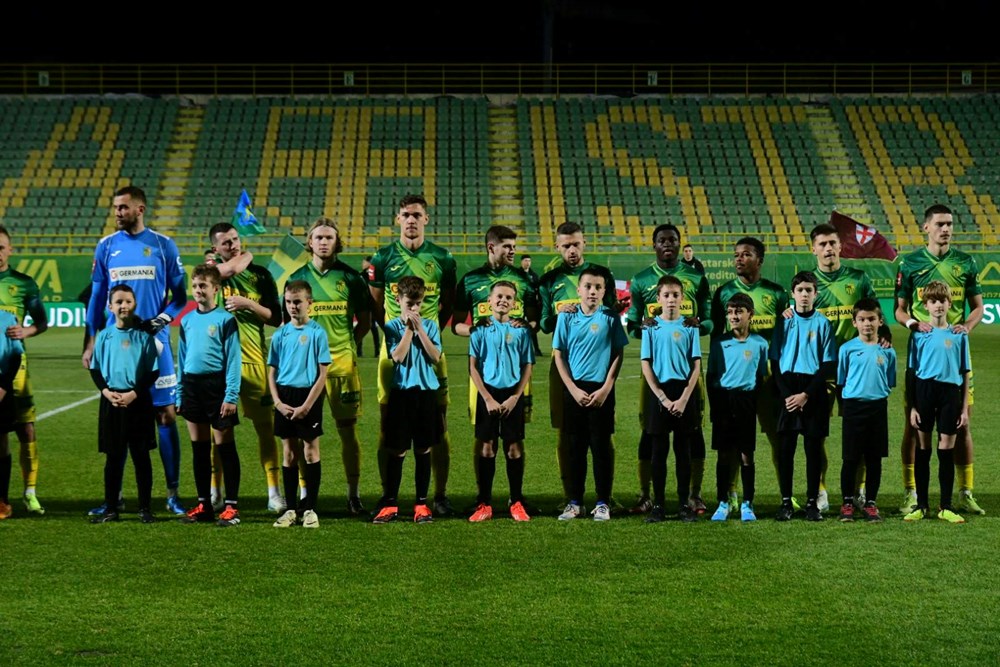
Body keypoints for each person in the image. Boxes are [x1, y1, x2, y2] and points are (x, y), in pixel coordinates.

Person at [83, 186, 188, 516]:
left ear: (140, 209)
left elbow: (180, 298)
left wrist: (162, 319)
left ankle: (172, 495)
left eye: (123, 207)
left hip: (155, 343)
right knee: (119, 413)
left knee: (165, 415)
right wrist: (90, 341)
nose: (117, 212)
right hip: (117, 346)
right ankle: (114, 498)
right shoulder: (106, 246)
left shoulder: (163, 245)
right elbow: (96, 298)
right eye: (115, 207)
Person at [369, 195, 456, 516]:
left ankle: (439, 496)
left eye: (417, 215)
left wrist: (428, 333)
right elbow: (375, 304)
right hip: (393, 352)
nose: (411, 220)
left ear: (426, 219)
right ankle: (388, 497)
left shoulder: (443, 258)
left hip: (430, 350)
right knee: (388, 426)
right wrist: (395, 333)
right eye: (406, 214)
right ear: (398, 219)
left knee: (438, 427)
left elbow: (448, 302)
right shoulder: (383, 257)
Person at [895, 204, 984, 516]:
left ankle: (965, 492)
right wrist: (913, 324)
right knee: (913, 426)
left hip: (953, 354)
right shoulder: (910, 262)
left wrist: (967, 327)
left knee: (962, 425)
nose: (945, 229)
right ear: (926, 227)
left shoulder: (966, 262)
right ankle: (911, 492)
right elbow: (899, 309)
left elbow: (978, 307)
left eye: (949, 224)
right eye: (940, 224)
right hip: (923, 357)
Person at [795, 222, 891, 512]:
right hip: (819, 371)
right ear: (813, 249)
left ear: (841, 246)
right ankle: (820, 490)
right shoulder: (808, 285)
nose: (828, 249)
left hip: (854, 371)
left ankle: (859, 490)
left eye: (832, 243)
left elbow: (875, 312)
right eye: (822, 244)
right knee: (816, 436)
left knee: (861, 436)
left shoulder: (858, 279)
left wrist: (885, 333)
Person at [625, 224, 712, 515]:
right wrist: (642, 326)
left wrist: (700, 325)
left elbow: (709, 318)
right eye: (662, 240)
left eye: (672, 240)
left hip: (687, 372)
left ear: (679, 243)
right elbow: (633, 322)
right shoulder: (641, 280)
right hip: (655, 374)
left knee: (693, 433)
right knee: (649, 433)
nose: (667, 244)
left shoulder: (696, 278)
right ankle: (646, 495)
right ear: (654, 245)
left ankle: (694, 495)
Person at [286, 219, 370, 515]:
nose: (323, 242)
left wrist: (347, 347)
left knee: (348, 431)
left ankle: (353, 495)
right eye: (318, 237)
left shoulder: (351, 278)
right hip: (306, 371)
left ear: (337, 242)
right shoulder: (297, 277)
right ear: (309, 242)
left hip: (342, 368)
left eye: (329, 237)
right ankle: (305, 496)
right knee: (302, 435)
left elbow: (365, 322)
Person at [453, 226, 538, 506]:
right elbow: (456, 325)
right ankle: (483, 498)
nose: (513, 251)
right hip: (483, 374)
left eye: (514, 246)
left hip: (515, 371)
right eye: (507, 246)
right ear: (491, 247)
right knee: (483, 437)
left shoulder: (524, 280)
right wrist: (477, 330)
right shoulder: (470, 281)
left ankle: (517, 498)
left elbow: (535, 320)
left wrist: (526, 325)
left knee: (515, 437)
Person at [538, 222, 619, 506]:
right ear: (557, 247)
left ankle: (605, 496)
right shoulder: (549, 281)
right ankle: (570, 495)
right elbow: (545, 323)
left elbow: (611, 313)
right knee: (566, 431)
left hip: (599, 363)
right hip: (564, 366)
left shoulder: (601, 274)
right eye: (566, 245)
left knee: (603, 434)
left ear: (584, 243)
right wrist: (561, 313)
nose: (572, 250)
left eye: (576, 244)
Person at [209, 222, 285, 513]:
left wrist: (248, 304)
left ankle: (274, 492)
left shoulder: (261, 275)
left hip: (254, 362)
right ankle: (215, 492)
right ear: (215, 249)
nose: (233, 245)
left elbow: (276, 318)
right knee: (219, 432)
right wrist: (243, 258)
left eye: (235, 239)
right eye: (226, 242)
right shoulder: (211, 273)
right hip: (219, 365)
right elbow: (227, 270)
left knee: (265, 429)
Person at [710, 237, 788, 510]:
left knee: (777, 438)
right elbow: (717, 335)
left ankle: (785, 495)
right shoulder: (724, 293)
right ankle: (730, 493)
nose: (739, 259)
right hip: (735, 382)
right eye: (736, 255)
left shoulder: (776, 293)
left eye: (746, 254)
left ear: (759, 260)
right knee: (733, 441)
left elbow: (784, 335)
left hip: (767, 380)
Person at [552, 267, 629, 522]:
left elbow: (618, 353)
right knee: (575, 448)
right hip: (574, 390)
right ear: (579, 289)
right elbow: (559, 355)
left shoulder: (610, 317)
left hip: (601, 391)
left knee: (600, 447)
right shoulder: (566, 317)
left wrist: (606, 388)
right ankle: (575, 502)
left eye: (598, 287)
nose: (592, 291)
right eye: (588, 286)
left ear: (604, 291)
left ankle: (602, 502)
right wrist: (572, 389)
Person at [371, 276, 443, 525]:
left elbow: (435, 357)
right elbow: (398, 357)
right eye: (409, 303)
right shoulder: (391, 327)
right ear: (398, 300)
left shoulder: (430, 326)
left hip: (426, 393)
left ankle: (421, 504)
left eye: (418, 303)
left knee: (423, 449)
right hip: (401, 394)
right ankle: (390, 503)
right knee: (397, 449)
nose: (414, 308)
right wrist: (410, 330)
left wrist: (420, 329)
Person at [176, 264, 243, 527]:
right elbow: (182, 359)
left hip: (217, 387)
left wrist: (231, 395)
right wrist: (180, 394)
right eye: (195, 286)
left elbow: (233, 361)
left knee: (225, 447)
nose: (198, 290)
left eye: (203, 286)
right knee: (199, 449)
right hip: (192, 387)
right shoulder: (187, 321)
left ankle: (231, 507)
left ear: (216, 289)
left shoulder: (226, 320)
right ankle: (204, 504)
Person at [87, 285, 159, 524]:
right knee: (113, 458)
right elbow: (95, 369)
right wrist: (107, 392)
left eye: (128, 301)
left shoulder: (144, 337)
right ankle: (111, 508)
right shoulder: (105, 336)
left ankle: (145, 508)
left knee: (141, 457)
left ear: (134, 304)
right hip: (112, 402)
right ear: (110, 307)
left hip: (138, 403)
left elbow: (152, 372)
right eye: (118, 302)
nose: (123, 306)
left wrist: (133, 394)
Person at [770, 271, 836, 522]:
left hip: (813, 390)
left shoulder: (823, 323)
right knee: (786, 450)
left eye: (809, 290)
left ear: (816, 294)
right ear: (793, 294)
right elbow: (775, 362)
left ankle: (811, 503)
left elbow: (827, 364)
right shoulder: (784, 321)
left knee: (813, 449)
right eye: (800, 290)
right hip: (787, 389)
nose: (805, 294)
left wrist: (806, 394)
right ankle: (786, 502)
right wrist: (788, 395)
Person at [903, 281, 970, 524]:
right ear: (926, 305)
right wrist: (912, 406)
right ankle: (921, 505)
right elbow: (911, 373)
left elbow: (965, 373)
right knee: (923, 449)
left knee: (946, 450)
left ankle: (946, 506)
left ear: (950, 304)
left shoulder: (959, 335)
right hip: (924, 391)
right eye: (933, 301)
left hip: (950, 394)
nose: (938, 305)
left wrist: (964, 408)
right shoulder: (919, 334)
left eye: (942, 301)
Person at [467, 282, 535, 522]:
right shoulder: (479, 330)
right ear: (489, 299)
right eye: (499, 296)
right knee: (487, 447)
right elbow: (473, 367)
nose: (503, 300)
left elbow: (528, 365)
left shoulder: (521, 331)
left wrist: (516, 397)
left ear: (514, 303)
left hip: (512, 394)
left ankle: (516, 502)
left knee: (513, 448)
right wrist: (487, 398)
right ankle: (485, 503)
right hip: (488, 394)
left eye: (508, 297)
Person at [639, 276, 702, 524]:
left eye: (676, 295)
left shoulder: (690, 326)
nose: (671, 299)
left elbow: (696, 365)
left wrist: (684, 398)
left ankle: (684, 505)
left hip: (684, 392)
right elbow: (646, 364)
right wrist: (662, 397)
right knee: (658, 452)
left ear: (682, 297)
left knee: (683, 452)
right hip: (659, 393)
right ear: (658, 298)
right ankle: (659, 505)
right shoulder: (650, 327)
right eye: (666, 295)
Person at [268, 281, 330, 529]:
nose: (293, 306)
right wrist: (277, 402)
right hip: (285, 396)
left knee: (310, 452)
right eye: (288, 302)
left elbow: (322, 374)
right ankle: (291, 509)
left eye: (297, 302)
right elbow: (272, 372)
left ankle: (311, 509)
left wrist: (306, 406)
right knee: (289, 453)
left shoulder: (317, 333)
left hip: (308, 395)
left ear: (309, 303)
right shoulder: (280, 334)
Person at [707, 293, 768, 522]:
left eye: (739, 312)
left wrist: (754, 403)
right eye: (730, 312)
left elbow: (761, 376)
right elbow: (711, 376)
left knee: (746, 455)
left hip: (746, 402)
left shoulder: (760, 343)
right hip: (724, 400)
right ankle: (722, 502)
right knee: (724, 454)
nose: (733, 316)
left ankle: (747, 503)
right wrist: (715, 408)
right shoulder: (719, 343)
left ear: (750, 314)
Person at [0, 226, 48, 515]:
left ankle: (30, 492)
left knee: (25, 428)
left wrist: (25, 331)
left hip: (14, 368)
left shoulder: (24, 283)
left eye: (0, 247)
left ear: (10, 250)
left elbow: (41, 322)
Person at [836, 298, 896, 523]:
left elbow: (889, 381)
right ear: (854, 323)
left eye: (871, 319)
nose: (867, 323)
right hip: (853, 407)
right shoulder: (847, 349)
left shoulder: (888, 351)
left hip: (877, 407)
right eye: (862, 319)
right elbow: (842, 380)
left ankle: (871, 503)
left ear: (880, 321)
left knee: (874, 459)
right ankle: (847, 503)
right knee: (850, 458)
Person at [0, 309, 24, 520]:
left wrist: (3, 387)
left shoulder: (6, 318)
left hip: (1, 388)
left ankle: (2, 500)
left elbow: (16, 356)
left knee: (1, 443)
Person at [520, 254, 543, 355]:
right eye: (525, 261)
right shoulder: (517, 274)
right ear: (521, 262)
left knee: (533, 325)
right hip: (519, 304)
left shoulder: (534, 275)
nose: (527, 263)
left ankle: (536, 349)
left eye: (529, 261)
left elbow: (538, 290)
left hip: (530, 304)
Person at [358, 255, 381, 356]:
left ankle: (376, 351)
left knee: (371, 327)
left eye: (364, 262)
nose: (362, 264)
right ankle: (360, 351)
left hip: (371, 304)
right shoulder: (361, 275)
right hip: (365, 304)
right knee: (367, 327)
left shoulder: (372, 275)